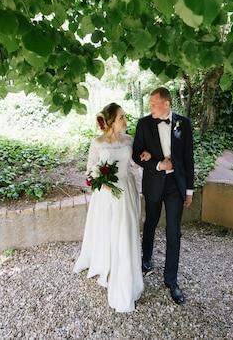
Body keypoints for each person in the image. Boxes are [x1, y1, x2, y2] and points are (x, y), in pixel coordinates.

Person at [73, 102, 144, 313]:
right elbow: (89, 169)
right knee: (108, 229)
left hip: (126, 190)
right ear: (111, 121)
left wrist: (143, 161)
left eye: (124, 117)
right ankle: (107, 263)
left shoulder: (129, 140)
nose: (125, 120)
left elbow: (135, 164)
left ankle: (124, 266)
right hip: (105, 194)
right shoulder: (97, 143)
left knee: (124, 230)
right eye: (121, 117)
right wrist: (98, 178)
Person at [132, 87, 194, 304]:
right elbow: (136, 154)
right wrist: (157, 164)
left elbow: (188, 158)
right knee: (150, 223)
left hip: (176, 185)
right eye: (149, 104)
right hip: (154, 182)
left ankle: (171, 280)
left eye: (153, 104)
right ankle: (146, 259)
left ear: (166, 104)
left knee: (174, 231)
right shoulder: (143, 123)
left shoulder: (183, 124)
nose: (150, 108)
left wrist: (189, 190)